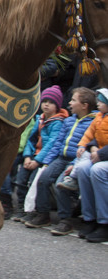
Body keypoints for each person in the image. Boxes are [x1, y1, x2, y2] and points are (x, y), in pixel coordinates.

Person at [23, 87, 96, 230]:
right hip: (61, 158)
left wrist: (75, 164)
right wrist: (46, 162)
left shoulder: (92, 122)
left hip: (76, 160)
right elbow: (57, 144)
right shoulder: (68, 121)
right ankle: (43, 214)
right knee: (43, 179)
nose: (69, 103)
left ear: (84, 105)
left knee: (61, 184)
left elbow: (86, 146)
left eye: (73, 100)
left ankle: (65, 220)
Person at [12, 86, 67, 221]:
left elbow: (52, 144)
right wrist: (27, 156)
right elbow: (31, 139)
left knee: (34, 182)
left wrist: (37, 161)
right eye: (44, 101)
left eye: (51, 102)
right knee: (21, 180)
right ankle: (22, 208)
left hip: (44, 159)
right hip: (32, 157)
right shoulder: (39, 119)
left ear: (58, 105)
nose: (46, 104)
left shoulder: (58, 123)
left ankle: (35, 210)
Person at [70, 87, 108, 241]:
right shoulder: (99, 117)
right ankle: (89, 218)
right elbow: (91, 135)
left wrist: (100, 153)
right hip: (99, 155)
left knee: (97, 170)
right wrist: (89, 146)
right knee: (84, 169)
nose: (98, 104)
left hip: (102, 157)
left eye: (101, 101)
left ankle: (104, 222)